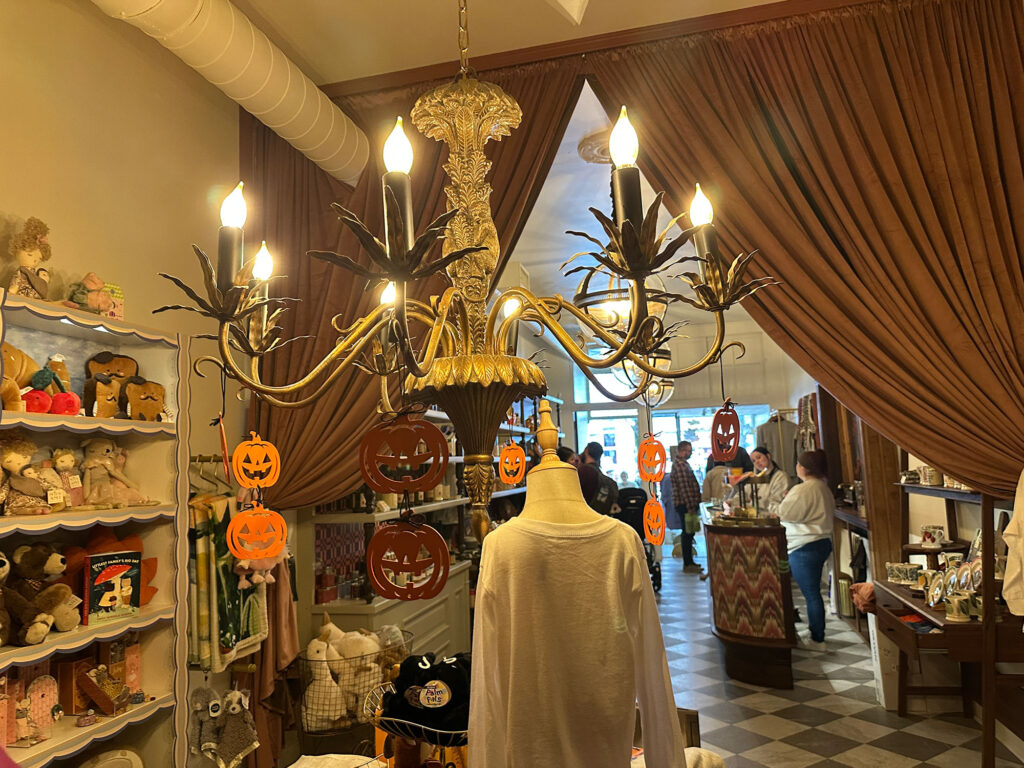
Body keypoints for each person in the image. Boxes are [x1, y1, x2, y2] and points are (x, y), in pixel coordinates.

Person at [775, 449, 834, 650]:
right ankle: (815, 633)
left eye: (798, 464)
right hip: (821, 541)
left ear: (804, 467)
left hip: (804, 545)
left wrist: (783, 501)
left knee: (811, 594)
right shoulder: (822, 486)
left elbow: (785, 513)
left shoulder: (803, 489)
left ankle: (817, 639)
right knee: (813, 592)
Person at [728, 446, 790, 516]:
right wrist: (731, 502)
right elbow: (743, 494)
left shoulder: (780, 476)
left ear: (768, 456)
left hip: (770, 515)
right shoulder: (755, 477)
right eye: (753, 461)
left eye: (759, 457)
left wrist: (753, 504)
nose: (757, 462)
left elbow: (776, 501)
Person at [670, 441, 702, 573]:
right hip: (685, 504)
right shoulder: (680, 466)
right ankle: (688, 563)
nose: (690, 453)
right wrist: (691, 506)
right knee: (687, 533)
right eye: (688, 450)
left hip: (685, 504)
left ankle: (690, 562)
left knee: (689, 532)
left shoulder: (682, 464)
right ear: (682, 450)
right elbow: (685, 489)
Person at [579, 442, 618, 515]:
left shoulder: (583, 471)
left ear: (586, 450)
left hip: (584, 515)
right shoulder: (599, 474)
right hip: (599, 516)